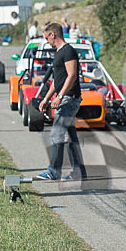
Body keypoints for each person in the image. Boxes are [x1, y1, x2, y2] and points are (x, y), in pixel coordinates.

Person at [35, 22, 86, 181]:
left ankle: (53, 171)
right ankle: (79, 172)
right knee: (70, 137)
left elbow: (72, 76)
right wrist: (46, 98)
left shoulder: (68, 51)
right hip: (65, 98)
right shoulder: (58, 53)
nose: (47, 40)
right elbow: (57, 81)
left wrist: (60, 96)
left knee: (57, 134)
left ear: (53, 34)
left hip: (69, 99)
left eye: (47, 37)